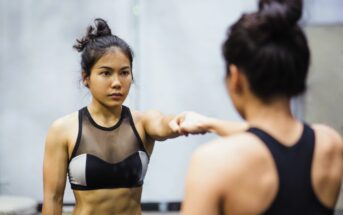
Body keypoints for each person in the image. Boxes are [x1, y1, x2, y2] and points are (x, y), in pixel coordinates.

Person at [177, 0, 343, 214]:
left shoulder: (213, 163)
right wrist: (208, 123)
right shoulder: (330, 145)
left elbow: (267, 141)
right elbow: (278, 143)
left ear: (236, 77)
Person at [42, 18, 220, 215]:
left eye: (124, 73)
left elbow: (163, 124)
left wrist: (180, 121)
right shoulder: (63, 130)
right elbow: (53, 199)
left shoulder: (142, 123)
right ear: (86, 78)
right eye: (106, 73)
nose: (117, 82)